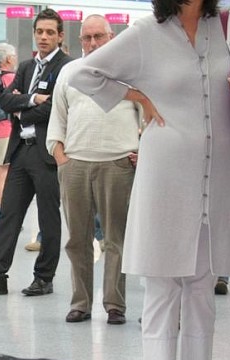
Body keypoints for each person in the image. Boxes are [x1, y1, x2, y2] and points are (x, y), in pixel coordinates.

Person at [68, 0, 230, 360]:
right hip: (165, 174)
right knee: (161, 289)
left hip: (221, 172)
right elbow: (82, 73)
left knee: (202, 284)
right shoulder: (146, 34)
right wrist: (135, 94)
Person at [0, 9, 73, 297]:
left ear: (60, 35)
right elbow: (5, 100)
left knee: (49, 218)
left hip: (47, 152)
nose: (44, 37)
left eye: (50, 32)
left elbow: (56, 108)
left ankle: (43, 277)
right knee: (9, 214)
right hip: (20, 152)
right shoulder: (26, 67)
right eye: (40, 32)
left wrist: (23, 113)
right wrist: (32, 100)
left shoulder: (66, 67)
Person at [46, 15, 141, 324]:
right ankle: (80, 303)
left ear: (111, 37)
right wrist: (60, 156)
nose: (93, 43)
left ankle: (115, 304)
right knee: (77, 240)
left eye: (98, 36)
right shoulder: (69, 72)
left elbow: (147, 117)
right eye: (87, 38)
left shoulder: (129, 74)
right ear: (79, 41)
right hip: (75, 164)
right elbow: (57, 118)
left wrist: (142, 151)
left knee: (116, 239)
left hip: (117, 164)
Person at [0, 42, 18, 204]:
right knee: (4, 173)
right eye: (13, 56)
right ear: (7, 59)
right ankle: (3, 214)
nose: (15, 60)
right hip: (6, 130)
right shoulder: (11, 79)